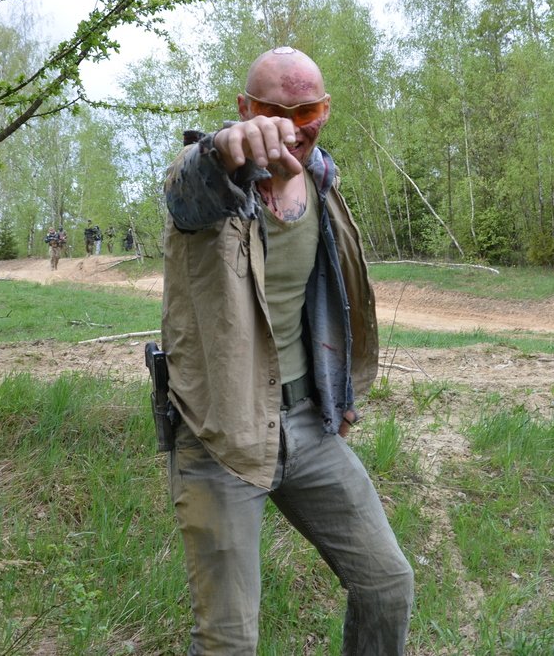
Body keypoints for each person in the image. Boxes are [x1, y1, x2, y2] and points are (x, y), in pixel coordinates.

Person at [160, 46, 413, 654]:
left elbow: (327, 298)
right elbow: (186, 188)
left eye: (309, 111)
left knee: (387, 584)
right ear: (246, 108)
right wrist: (225, 148)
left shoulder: (322, 180)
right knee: (228, 642)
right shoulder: (213, 182)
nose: (294, 127)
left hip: (307, 425)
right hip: (221, 434)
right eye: (276, 112)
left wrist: (339, 392)